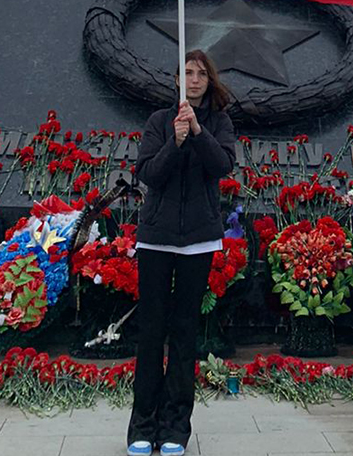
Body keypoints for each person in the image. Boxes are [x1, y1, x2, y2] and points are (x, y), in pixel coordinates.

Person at [126, 49, 237, 456]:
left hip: (198, 239)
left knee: (185, 332)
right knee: (151, 331)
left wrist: (198, 133)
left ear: (209, 80)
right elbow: (149, 174)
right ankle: (142, 425)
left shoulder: (219, 123)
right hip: (157, 238)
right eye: (187, 73)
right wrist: (174, 141)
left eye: (201, 73)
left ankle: (175, 427)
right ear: (176, 80)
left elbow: (222, 166)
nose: (194, 79)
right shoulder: (159, 121)